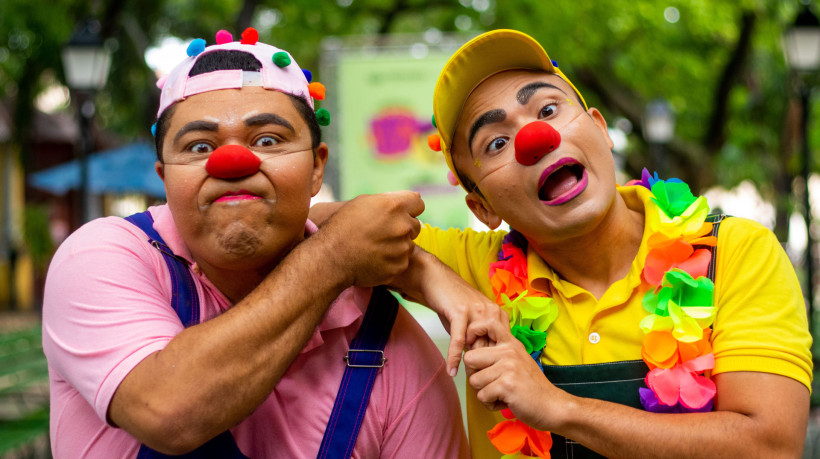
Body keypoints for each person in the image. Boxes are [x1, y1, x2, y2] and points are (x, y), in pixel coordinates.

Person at [315, 28, 814, 458]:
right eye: (496, 143)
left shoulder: (732, 253)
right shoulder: (474, 266)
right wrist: (440, 283)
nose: (535, 138)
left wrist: (560, 409)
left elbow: (769, 445)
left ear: (600, 129)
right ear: (484, 207)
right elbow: (316, 222)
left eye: (548, 109)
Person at [41, 28, 473, 458]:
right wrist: (336, 255)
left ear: (317, 170)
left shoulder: (390, 347)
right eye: (199, 145)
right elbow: (166, 410)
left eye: (268, 140)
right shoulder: (102, 257)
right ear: (165, 180)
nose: (232, 163)